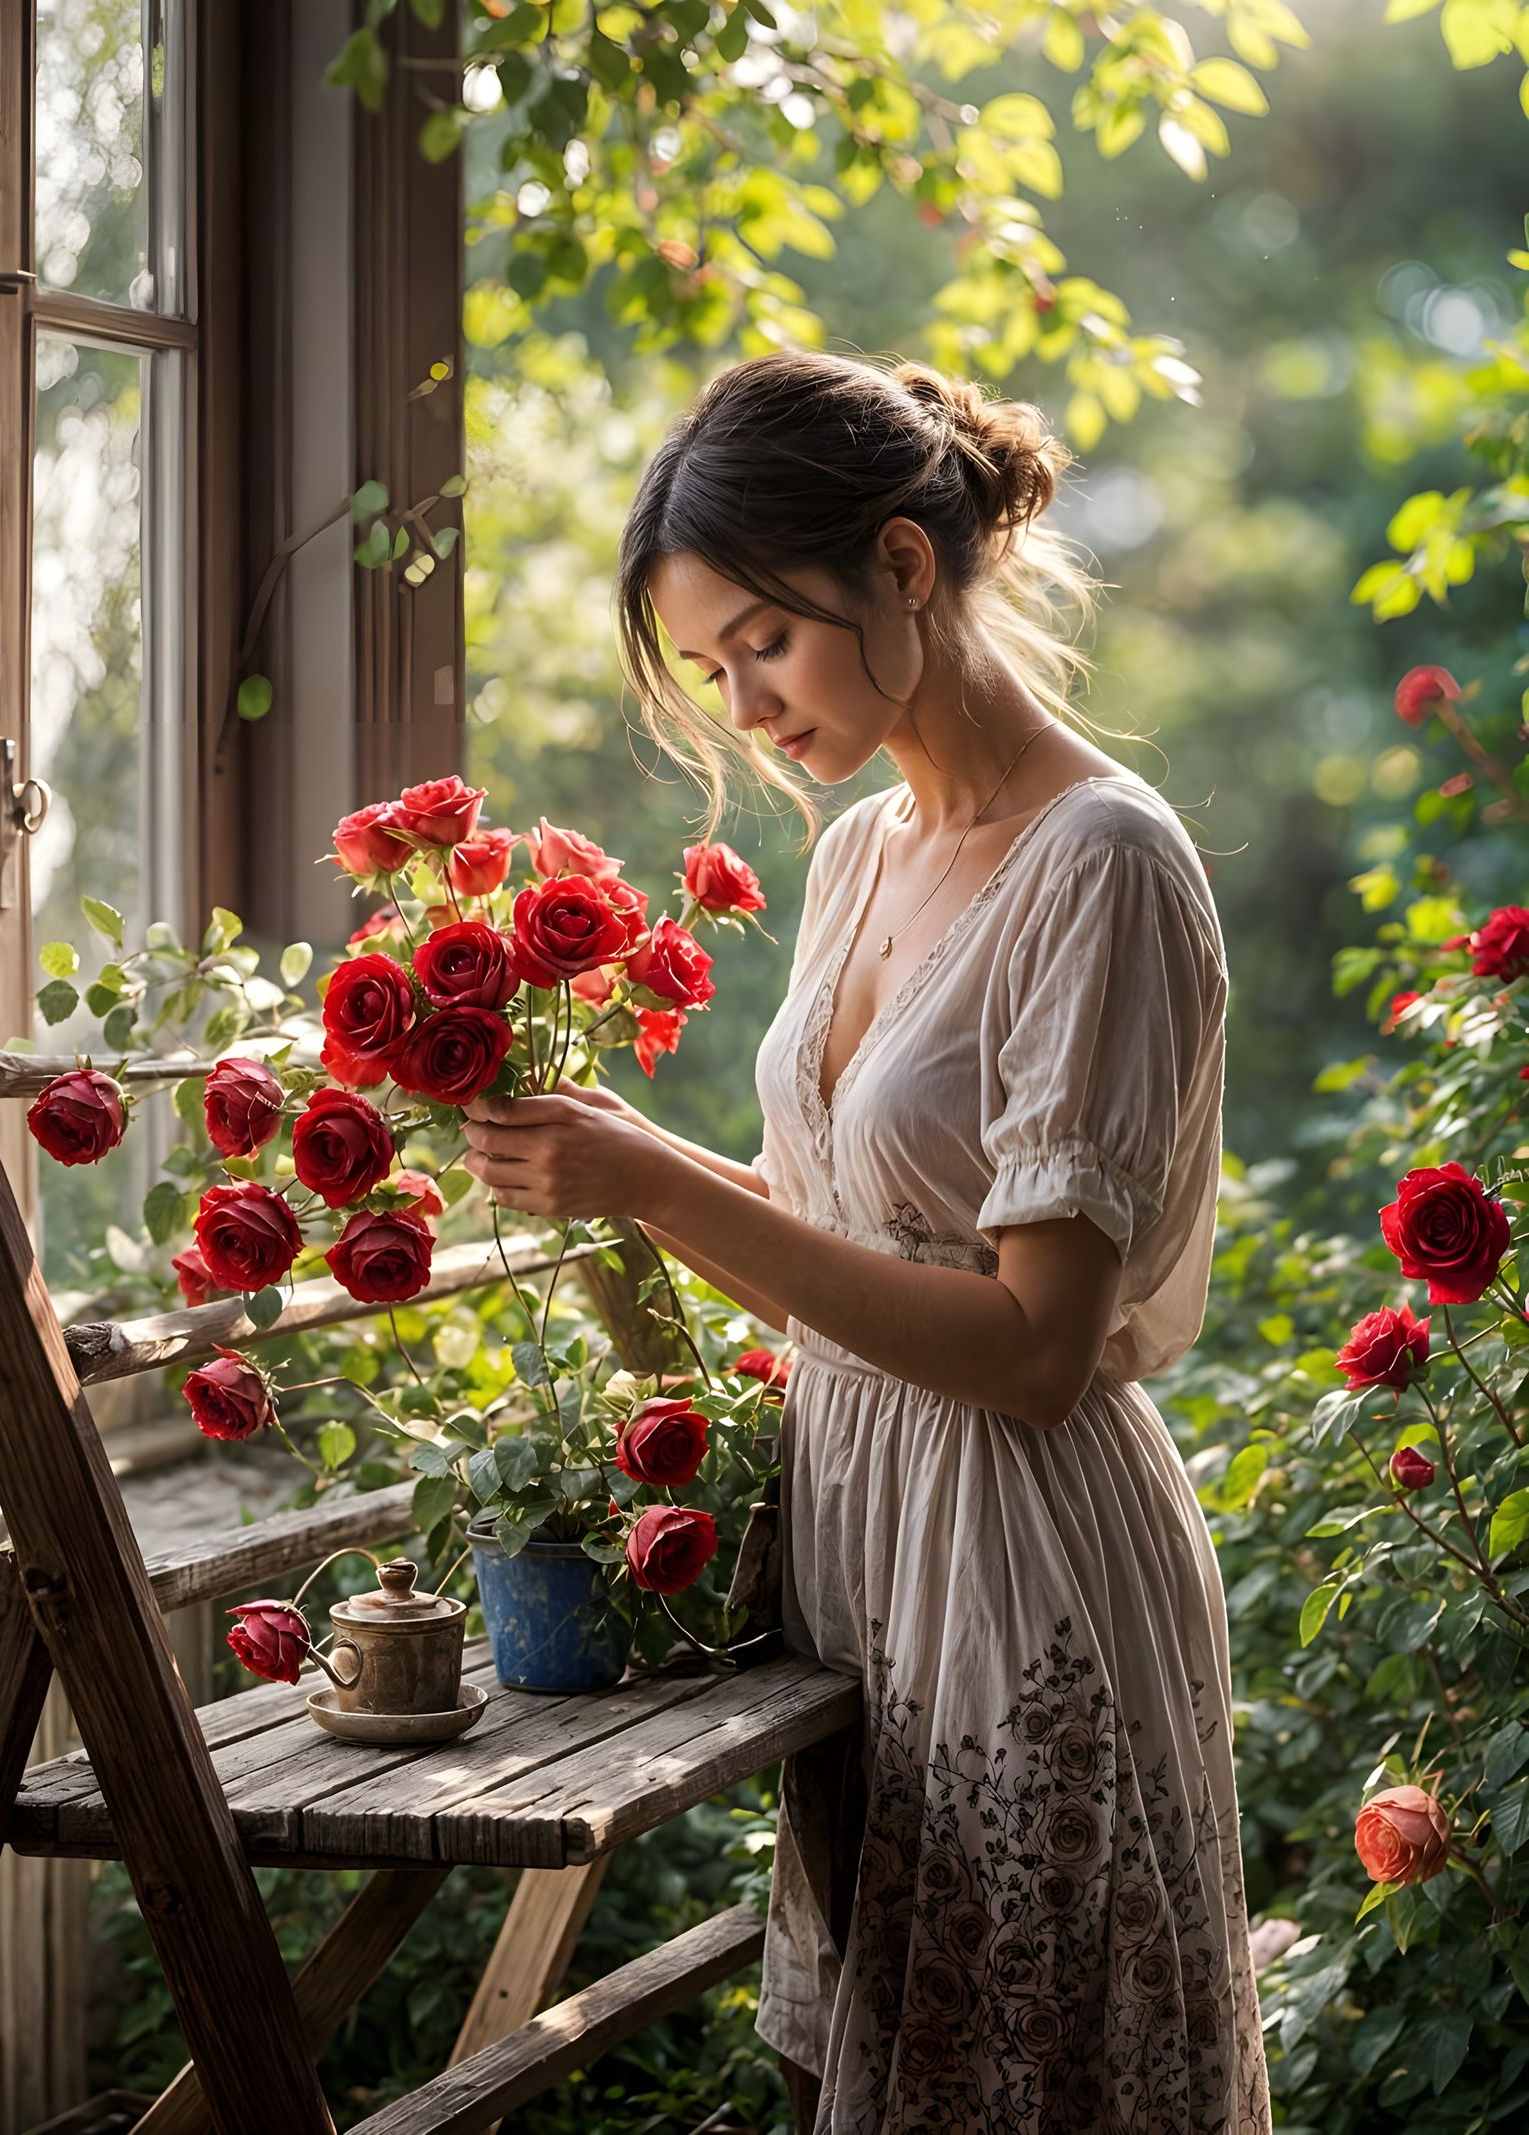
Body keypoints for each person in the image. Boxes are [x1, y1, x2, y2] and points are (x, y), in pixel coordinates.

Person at [458, 349, 1271, 2133]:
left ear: (904, 565)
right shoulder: (861, 856)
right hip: (862, 1552)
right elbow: (834, 1233)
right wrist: (615, 1159)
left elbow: (1033, 1349)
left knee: (1027, 2082)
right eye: (712, 668)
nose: (747, 706)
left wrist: (655, 1187)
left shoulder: (1102, 863)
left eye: (765, 640)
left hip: (1021, 1556)